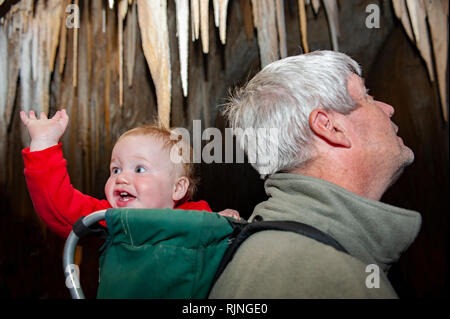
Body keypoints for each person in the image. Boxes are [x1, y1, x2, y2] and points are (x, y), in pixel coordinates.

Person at [209, 50, 422, 298]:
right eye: (368, 96)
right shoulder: (328, 279)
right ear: (329, 127)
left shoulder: (268, 252)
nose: (388, 108)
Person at [20, 109, 239, 238]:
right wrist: (44, 144)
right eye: (115, 169)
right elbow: (58, 204)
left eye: (139, 169)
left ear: (177, 188)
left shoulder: (198, 216)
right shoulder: (108, 218)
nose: (121, 178)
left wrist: (224, 225)